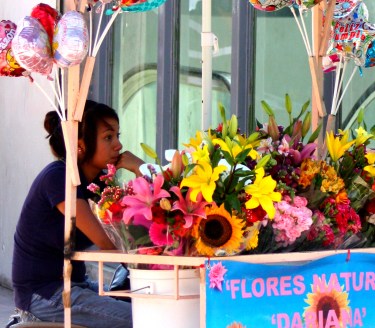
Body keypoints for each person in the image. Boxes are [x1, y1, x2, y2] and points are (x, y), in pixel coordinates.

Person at [12, 100, 144, 327]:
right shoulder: (59, 177)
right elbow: (106, 242)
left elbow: (136, 224)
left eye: (117, 136)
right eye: (108, 137)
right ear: (80, 144)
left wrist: (141, 168)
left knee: (147, 302)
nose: (119, 145)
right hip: (44, 295)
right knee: (144, 318)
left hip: (75, 285)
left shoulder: (96, 183)